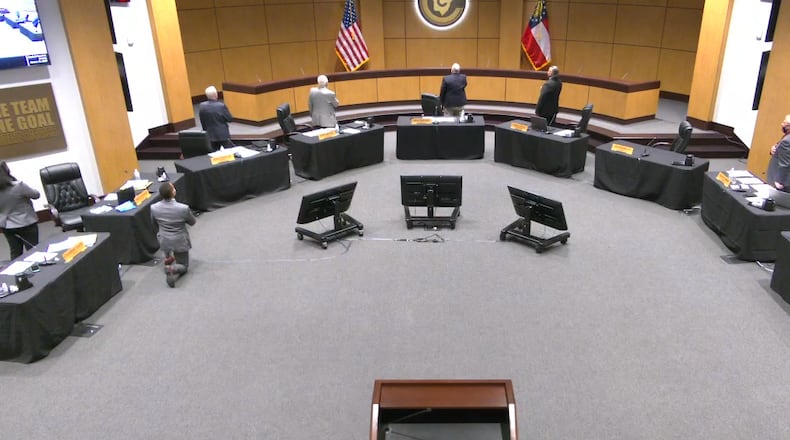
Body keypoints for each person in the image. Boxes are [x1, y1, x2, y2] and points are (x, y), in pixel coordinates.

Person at [150, 182, 196, 288]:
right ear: (173, 192)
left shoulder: (154, 208)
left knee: (168, 248)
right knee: (184, 266)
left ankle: (168, 257)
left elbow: (153, 223)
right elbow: (192, 222)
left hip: (164, 240)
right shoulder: (183, 208)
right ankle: (172, 269)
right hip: (179, 241)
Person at [0, 162, 40, 260]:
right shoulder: (19, 186)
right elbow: (36, 195)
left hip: (7, 226)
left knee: (15, 254)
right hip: (27, 223)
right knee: (34, 251)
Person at [198, 85, 234, 151]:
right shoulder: (221, 106)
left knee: (213, 155)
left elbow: (202, 120)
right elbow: (230, 119)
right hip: (222, 135)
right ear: (215, 94)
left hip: (209, 135)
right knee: (231, 152)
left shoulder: (202, 106)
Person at [768, 114, 790, 191]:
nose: (782, 124)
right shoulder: (787, 136)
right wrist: (775, 147)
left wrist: (779, 181)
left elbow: (785, 163)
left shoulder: (787, 140)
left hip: (783, 181)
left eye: (784, 122)